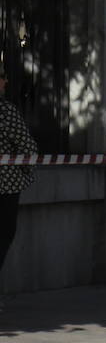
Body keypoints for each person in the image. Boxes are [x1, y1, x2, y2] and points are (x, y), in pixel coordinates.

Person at [0, 67, 38, 273]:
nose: (6, 82)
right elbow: (27, 148)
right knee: (4, 235)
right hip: (5, 186)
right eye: (3, 78)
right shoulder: (5, 111)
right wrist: (27, 172)